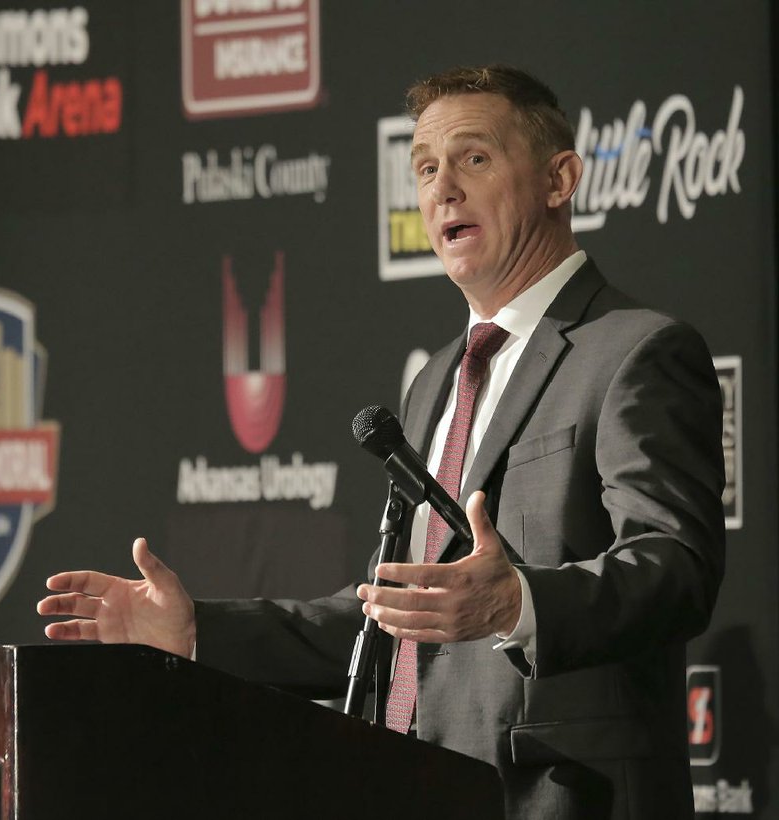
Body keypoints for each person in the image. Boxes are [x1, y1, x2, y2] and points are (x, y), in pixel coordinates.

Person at [37, 65, 725, 819]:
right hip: (414, 789)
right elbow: (388, 617)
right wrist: (201, 630)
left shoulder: (634, 352)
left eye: (475, 158)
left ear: (560, 179)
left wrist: (518, 603)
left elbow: (675, 566)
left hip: (556, 798)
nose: (443, 191)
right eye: (426, 169)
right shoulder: (435, 381)